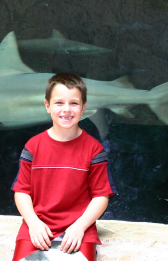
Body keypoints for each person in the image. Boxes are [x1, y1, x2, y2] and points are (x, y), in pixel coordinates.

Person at [11, 72, 117, 261]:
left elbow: (101, 196)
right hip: (37, 227)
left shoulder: (94, 150)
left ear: (84, 108)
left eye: (74, 103)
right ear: (47, 106)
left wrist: (80, 226)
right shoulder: (32, 146)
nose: (66, 109)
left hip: (79, 228)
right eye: (59, 102)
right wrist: (33, 223)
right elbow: (21, 191)